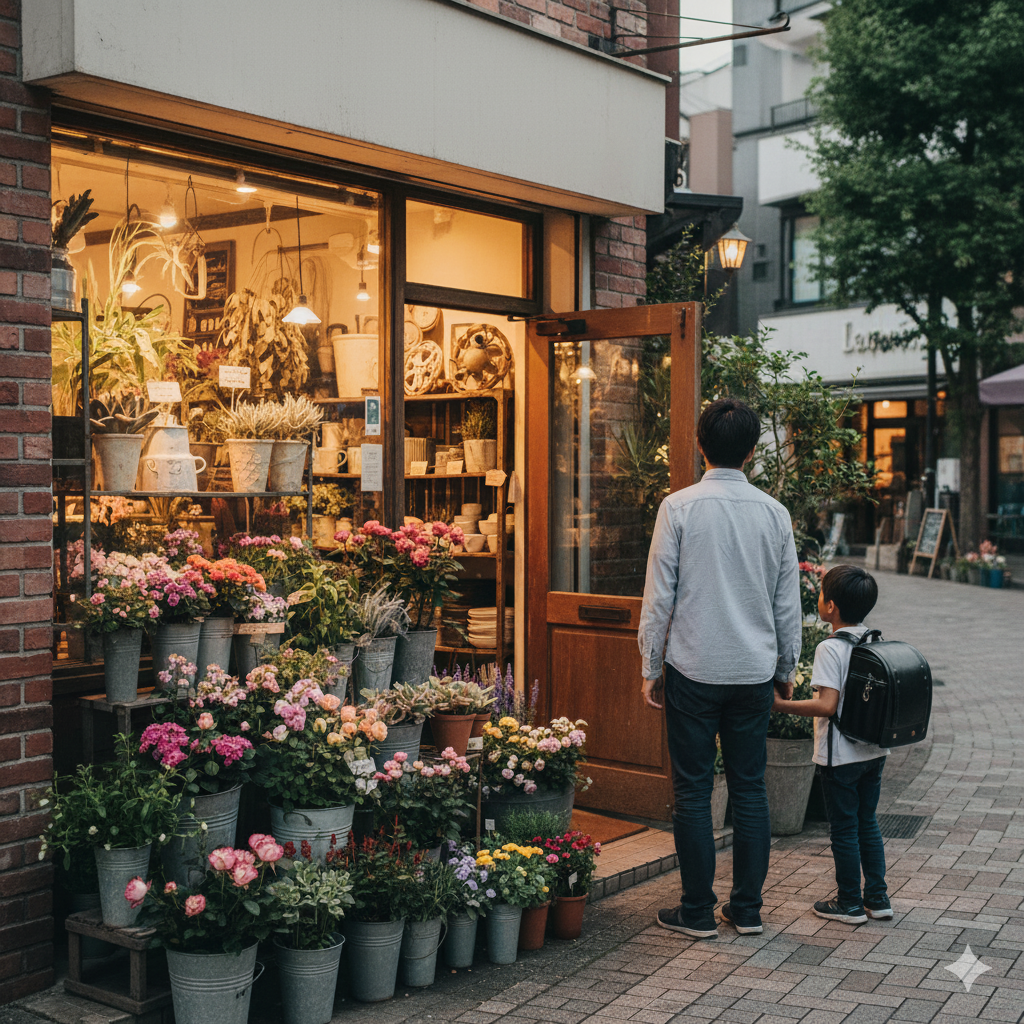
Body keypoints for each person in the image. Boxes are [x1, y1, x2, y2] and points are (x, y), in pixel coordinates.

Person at [638, 397, 802, 939]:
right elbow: (787, 603)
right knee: (750, 788)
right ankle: (748, 910)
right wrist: (786, 666)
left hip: (693, 665)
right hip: (753, 671)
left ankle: (696, 911)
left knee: (692, 790)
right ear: (753, 451)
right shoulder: (774, 513)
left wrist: (650, 663)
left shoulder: (679, 507)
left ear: (699, 446)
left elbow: (659, 596)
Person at [772, 564, 892, 925]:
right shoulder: (874, 639)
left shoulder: (831, 647)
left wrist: (780, 705)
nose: (820, 600)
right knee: (866, 822)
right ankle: (878, 898)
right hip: (874, 752)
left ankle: (849, 903)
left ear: (831, 606)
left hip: (840, 757)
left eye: (823, 595)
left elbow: (827, 705)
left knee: (843, 828)